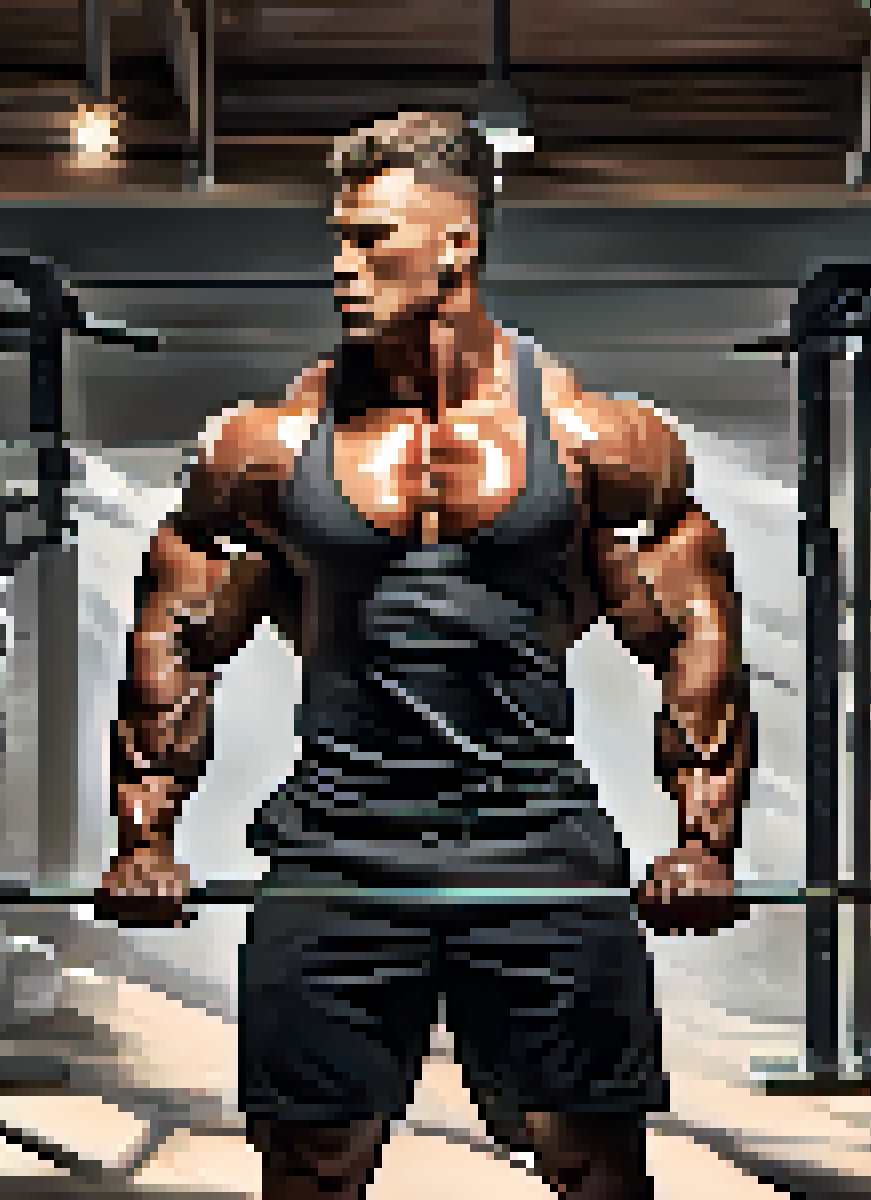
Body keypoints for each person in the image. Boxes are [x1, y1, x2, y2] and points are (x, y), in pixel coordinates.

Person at [96, 110, 754, 1200]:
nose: (342, 269)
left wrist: (703, 843)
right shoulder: (270, 448)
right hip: (338, 841)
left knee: (589, 1156)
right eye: (338, 242)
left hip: (536, 841)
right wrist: (144, 836)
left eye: (371, 240)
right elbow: (179, 628)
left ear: (459, 245)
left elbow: (691, 631)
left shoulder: (598, 441)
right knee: (314, 1161)